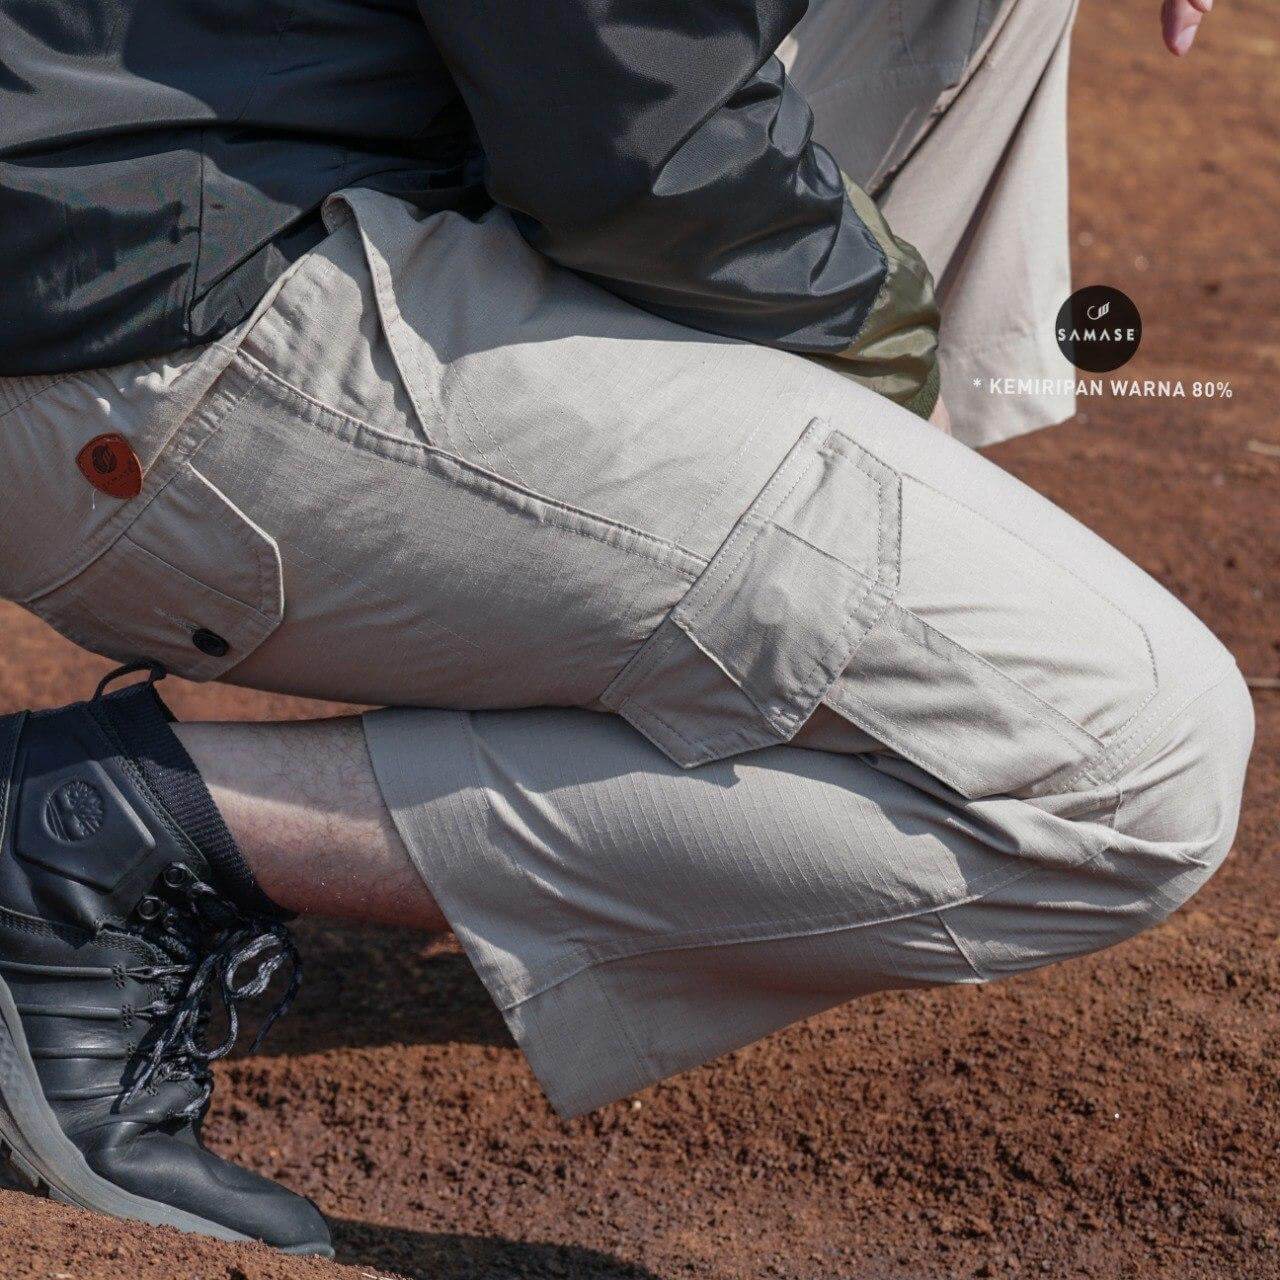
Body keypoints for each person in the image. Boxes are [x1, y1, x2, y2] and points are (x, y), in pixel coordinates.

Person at [0, 0, 1242, 1259]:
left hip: (209, 171)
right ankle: (88, 829)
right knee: (1136, 768)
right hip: (150, 317)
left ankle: (739, 612)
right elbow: (624, 118)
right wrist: (869, 315)